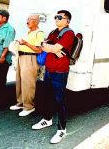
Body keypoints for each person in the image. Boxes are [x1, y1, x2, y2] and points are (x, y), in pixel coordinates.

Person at [31, 10, 74, 144]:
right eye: (56, 16)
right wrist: (50, 47)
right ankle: (47, 120)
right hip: (49, 69)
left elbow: (53, 48)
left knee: (60, 100)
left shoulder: (68, 33)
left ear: (67, 20)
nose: (56, 18)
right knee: (47, 96)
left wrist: (50, 47)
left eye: (60, 17)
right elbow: (45, 46)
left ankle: (61, 129)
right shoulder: (53, 32)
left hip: (60, 71)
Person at [9, 14, 44, 117]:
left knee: (28, 83)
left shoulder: (39, 33)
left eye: (30, 19)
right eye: (27, 19)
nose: (27, 21)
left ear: (36, 21)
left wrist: (25, 44)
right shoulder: (29, 32)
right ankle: (20, 103)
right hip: (22, 57)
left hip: (30, 59)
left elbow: (39, 49)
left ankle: (29, 106)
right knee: (20, 81)